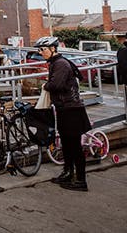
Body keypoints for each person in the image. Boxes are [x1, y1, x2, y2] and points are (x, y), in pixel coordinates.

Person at [37, 36, 91, 191]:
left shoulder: (61, 64)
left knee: (74, 146)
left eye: (43, 49)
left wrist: (45, 86)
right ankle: (68, 172)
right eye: (39, 50)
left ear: (53, 49)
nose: (41, 52)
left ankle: (81, 180)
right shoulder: (56, 63)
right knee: (67, 145)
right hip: (64, 108)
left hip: (71, 109)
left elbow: (56, 85)